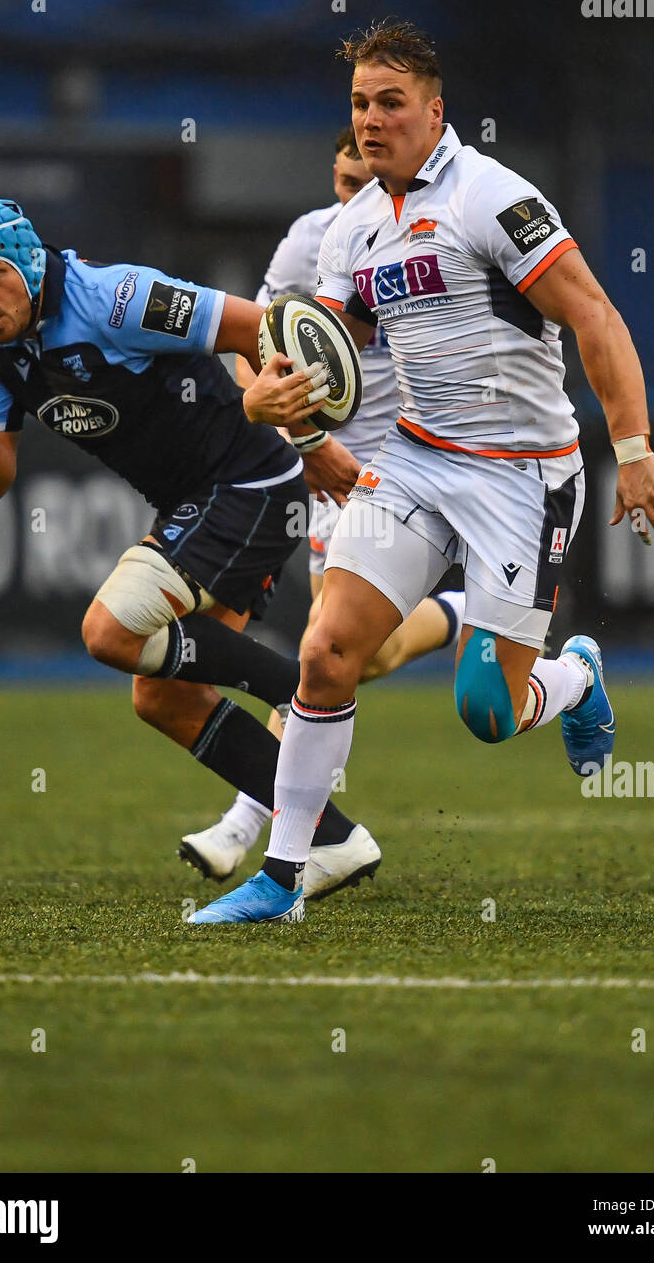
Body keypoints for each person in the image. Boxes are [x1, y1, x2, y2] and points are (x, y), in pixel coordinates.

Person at [188, 19, 654, 926]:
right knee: (325, 652)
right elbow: (314, 353)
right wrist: (274, 407)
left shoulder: (491, 199)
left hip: (523, 476)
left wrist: (634, 449)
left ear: (434, 111)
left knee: (487, 713)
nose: (373, 120)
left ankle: (574, 676)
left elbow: (597, 317)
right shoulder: (350, 229)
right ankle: (282, 879)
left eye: (391, 103)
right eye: (359, 104)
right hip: (417, 459)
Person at [0, 196, 380, 897]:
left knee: (108, 632)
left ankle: (297, 691)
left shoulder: (116, 298)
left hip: (249, 482)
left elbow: (261, 330)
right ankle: (333, 838)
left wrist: (310, 436)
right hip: (200, 501)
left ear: (27, 259)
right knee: (164, 700)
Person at [180, 126, 465, 896]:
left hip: (418, 467)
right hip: (332, 477)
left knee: (324, 653)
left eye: (362, 182)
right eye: (342, 182)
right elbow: (254, 339)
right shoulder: (312, 240)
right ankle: (460, 614)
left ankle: (249, 828)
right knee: (350, 658)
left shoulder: (439, 236)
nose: (352, 197)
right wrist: (290, 423)